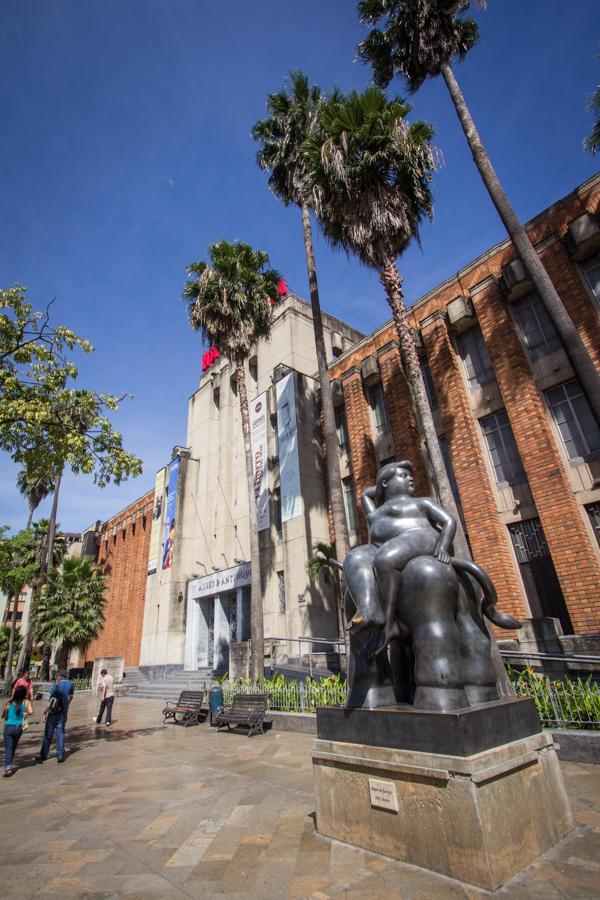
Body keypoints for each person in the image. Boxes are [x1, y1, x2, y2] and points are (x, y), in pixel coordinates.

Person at [35, 670, 74, 764]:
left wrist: (45, 712)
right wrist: (66, 706)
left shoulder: (56, 684)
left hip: (53, 712)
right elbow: (70, 697)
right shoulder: (71, 684)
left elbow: (51, 700)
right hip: (63, 712)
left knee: (48, 734)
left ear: (60, 676)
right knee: (60, 734)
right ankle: (60, 755)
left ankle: (43, 754)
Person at [3, 685, 33, 777]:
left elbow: (5, 716)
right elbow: (31, 712)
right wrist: (25, 713)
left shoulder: (9, 702)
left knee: (9, 747)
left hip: (8, 726)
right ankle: (9, 763)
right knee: (13, 746)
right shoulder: (26, 702)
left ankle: (8, 767)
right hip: (18, 727)